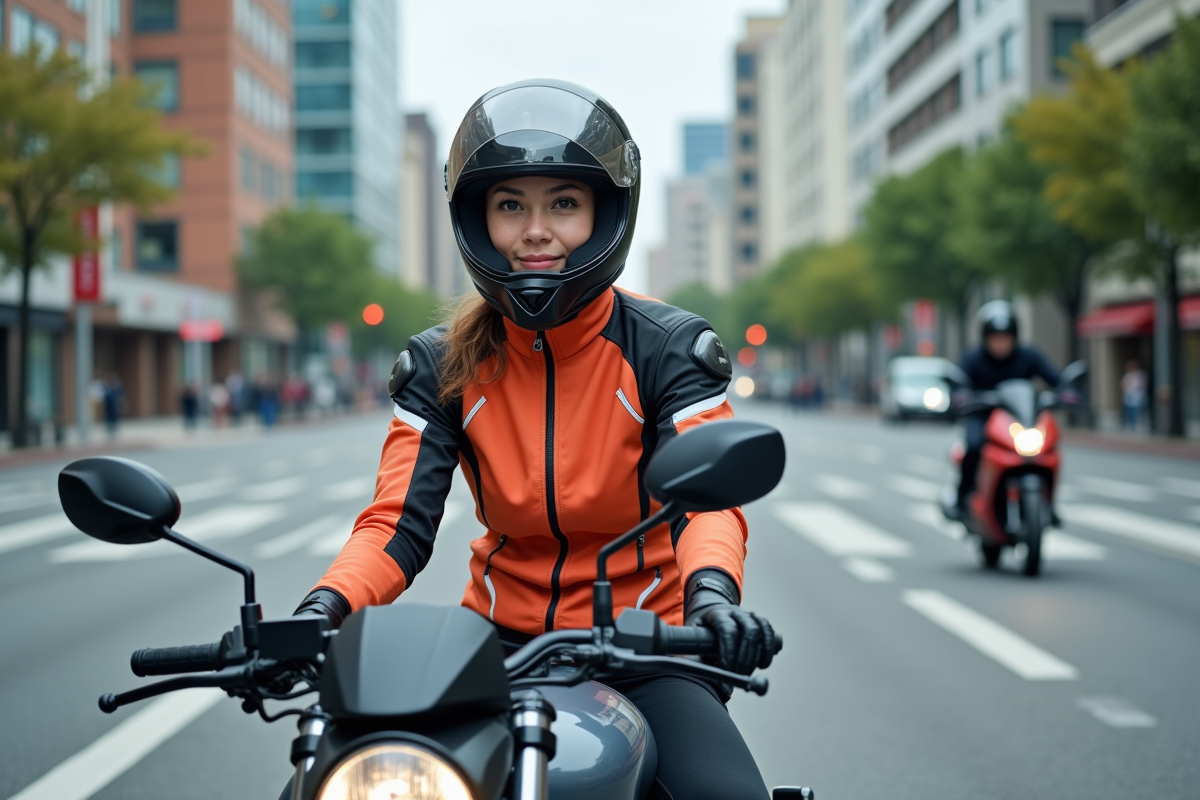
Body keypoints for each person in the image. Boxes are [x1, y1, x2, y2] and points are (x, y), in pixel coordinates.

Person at [292, 80, 778, 799]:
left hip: (646, 645)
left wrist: (710, 596)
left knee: (730, 795)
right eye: (511, 205)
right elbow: (396, 526)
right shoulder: (440, 363)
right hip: (489, 646)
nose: (536, 229)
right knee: (325, 777)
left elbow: (709, 507)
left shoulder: (669, 348)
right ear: (477, 219)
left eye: (564, 204)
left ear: (606, 213)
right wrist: (320, 610)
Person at [951, 300, 1060, 517]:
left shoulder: (1029, 355)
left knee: (1048, 449)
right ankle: (962, 497)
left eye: (1005, 338)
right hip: (984, 417)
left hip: (1021, 419)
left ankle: (1049, 504)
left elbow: (1055, 378)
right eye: (995, 339)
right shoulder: (973, 358)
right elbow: (959, 383)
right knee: (973, 447)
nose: (1000, 344)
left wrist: (1066, 391)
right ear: (985, 339)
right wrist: (961, 396)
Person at [1121, 359, 1147, 431]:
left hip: (1137, 398)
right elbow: (1124, 385)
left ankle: (1138, 426)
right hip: (1129, 398)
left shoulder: (1140, 375)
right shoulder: (1127, 376)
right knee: (1130, 413)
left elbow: (1139, 386)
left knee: (1138, 413)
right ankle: (1132, 426)